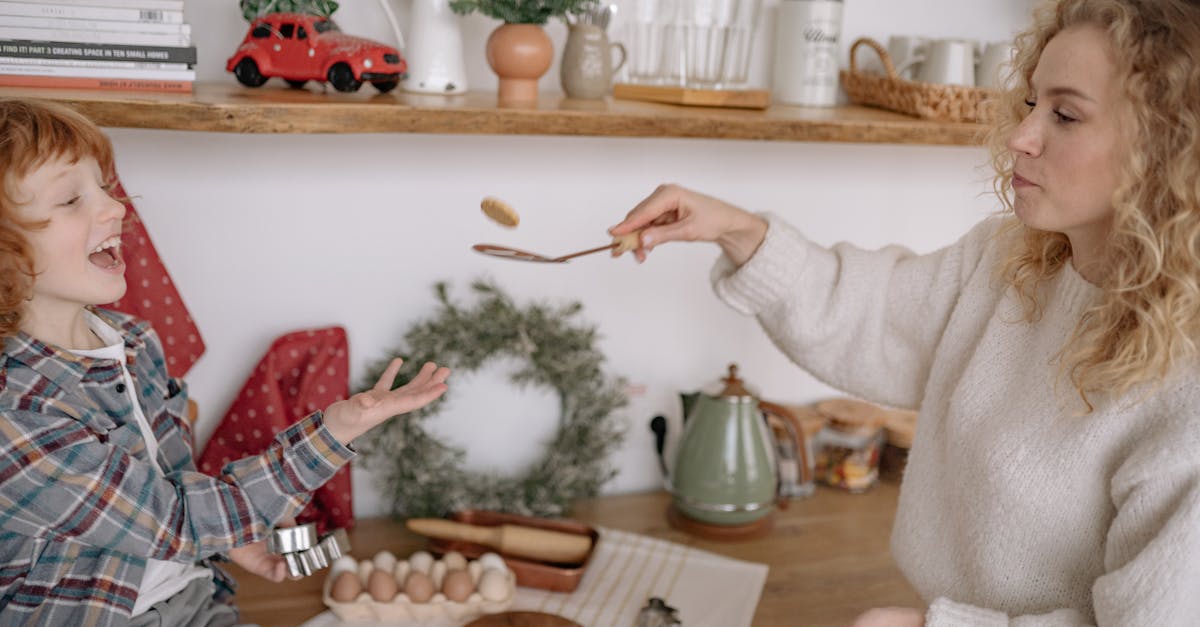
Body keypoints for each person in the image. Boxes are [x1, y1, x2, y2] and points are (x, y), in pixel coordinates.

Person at [610, 0, 1200, 624]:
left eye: (1066, 114)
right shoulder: (1010, 261)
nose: (1020, 137)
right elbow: (874, 316)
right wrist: (735, 230)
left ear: (1168, 146)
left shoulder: (1185, 385)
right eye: (1031, 104)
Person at [0, 98, 451, 625]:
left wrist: (226, 540)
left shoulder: (135, 341)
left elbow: (169, 489)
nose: (116, 208)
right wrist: (332, 433)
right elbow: (172, 520)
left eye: (104, 185)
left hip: (194, 599)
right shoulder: (17, 410)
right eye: (72, 199)